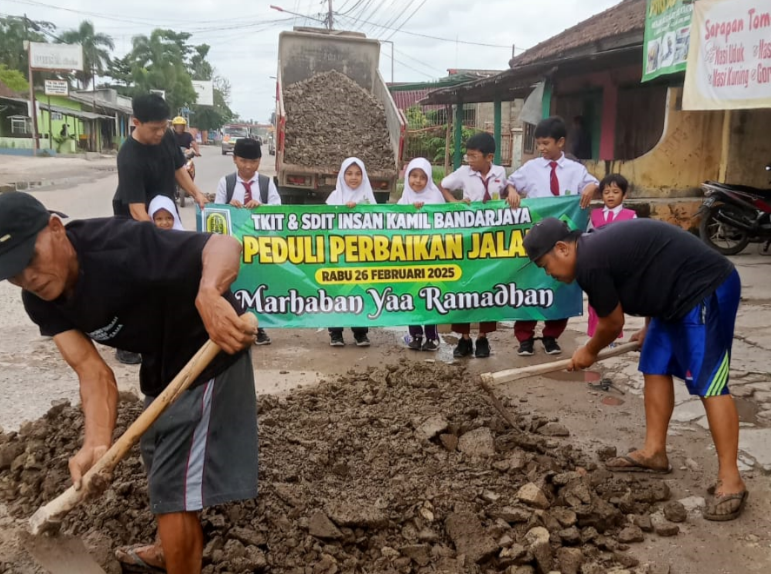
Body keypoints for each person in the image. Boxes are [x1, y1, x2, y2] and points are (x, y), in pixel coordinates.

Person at [0, 192, 259, 572]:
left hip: (209, 347)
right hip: (160, 359)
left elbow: (224, 243)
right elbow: (91, 372)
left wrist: (208, 293)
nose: (28, 278)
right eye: (12, 272)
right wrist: (96, 443)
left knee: (173, 487)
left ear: (56, 228)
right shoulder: (39, 299)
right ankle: (169, 548)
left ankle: (180, 559)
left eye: (30, 260)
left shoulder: (122, 246)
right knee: (159, 458)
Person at [523, 217, 747, 522]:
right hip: (671, 300)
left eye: (544, 265)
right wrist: (648, 325)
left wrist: (589, 351)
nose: (548, 273)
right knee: (654, 365)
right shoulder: (591, 251)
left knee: (710, 384)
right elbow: (650, 268)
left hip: (705, 287)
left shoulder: (590, 263)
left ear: (562, 248)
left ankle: (731, 480)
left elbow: (612, 325)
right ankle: (655, 452)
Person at [112, 94, 208, 365]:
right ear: (136, 122)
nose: (161, 133)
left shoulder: (165, 137)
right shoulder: (128, 156)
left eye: (164, 127)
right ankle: (126, 343)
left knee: (166, 279)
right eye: (154, 128)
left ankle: (164, 335)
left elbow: (178, 169)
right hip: (135, 222)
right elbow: (136, 209)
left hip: (164, 212)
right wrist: (156, 242)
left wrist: (197, 194)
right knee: (137, 280)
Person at [505, 116, 599, 357]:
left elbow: (592, 184)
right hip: (537, 241)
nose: (542, 148)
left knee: (561, 288)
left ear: (561, 142)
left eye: (546, 143)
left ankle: (551, 336)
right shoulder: (531, 168)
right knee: (529, 287)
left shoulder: (576, 170)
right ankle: (524, 338)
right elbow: (509, 183)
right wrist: (513, 191)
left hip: (564, 245)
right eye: (539, 143)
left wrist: (591, 188)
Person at [439, 133, 507, 359]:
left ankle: (483, 339)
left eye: (473, 156)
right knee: (464, 286)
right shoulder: (463, 173)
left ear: (489, 157)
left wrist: (512, 193)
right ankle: (464, 339)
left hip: (492, 239)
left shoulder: (500, 173)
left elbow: (506, 192)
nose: (469, 159)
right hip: (468, 237)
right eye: (467, 155)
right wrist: (455, 202)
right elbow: (443, 185)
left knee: (489, 286)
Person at [215, 137, 280, 346]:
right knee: (234, 285)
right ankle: (234, 325)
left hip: (259, 247)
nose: (248, 166)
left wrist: (261, 206)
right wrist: (228, 206)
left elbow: (277, 210)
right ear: (235, 159)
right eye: (243, 161)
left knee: (258, 285)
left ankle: (258, 328)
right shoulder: (226, 183)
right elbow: (215, 215)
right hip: (232, 248)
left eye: (253, 162)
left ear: (259, 162)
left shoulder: (266, 183)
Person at [326, 157, 375, 347]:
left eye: (358, 173)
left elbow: (379, 226)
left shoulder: (369, 200)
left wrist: (360, 210)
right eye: (349, 173)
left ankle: (360, 333)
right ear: (342, 175)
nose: (353, 178)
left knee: (360, 292)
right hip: (338, 257)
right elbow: (323, 226)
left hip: (361, 257)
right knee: (337, 293)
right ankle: (335, 333)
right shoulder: (333, 198)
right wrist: (341, 211)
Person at [398, 158, 446, 352]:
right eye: (413, 176)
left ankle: (432, 337)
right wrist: (408, 211)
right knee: (412, 296)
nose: (417, 181)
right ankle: (415, 335)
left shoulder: (436, 198)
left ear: (429, 179)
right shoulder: (404, 199)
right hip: (409, 258)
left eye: (422, 177)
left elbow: (446, 223)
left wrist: (424, 211)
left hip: (431, 258)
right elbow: (392, 223)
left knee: (430, 295)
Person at [586, 174, 636, 339]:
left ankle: (613, 335)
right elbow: (588, 238)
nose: (610, 195)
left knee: (614, 302)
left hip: (618, 266)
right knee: (595, 302)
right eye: (606, 192)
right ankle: (595, 335)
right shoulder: (595, 215)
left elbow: (634, 241)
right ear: (601, 195)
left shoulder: (630, 216)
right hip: (597, 264)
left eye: (615, 191)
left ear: (624, 195)